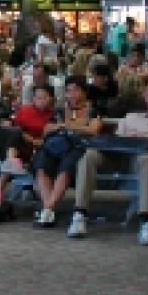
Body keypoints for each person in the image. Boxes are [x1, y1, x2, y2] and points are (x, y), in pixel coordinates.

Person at [68, 82, 148, 246]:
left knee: (146, 159)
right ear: (145, 98)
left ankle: (147, 222)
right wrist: (130, 137)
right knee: (89, 155)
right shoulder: (130, 118)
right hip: (121, 158)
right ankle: (79, 214)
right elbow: (115, 142)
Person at [31, 77, 102, 227]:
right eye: (68, 90)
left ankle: (47, 210)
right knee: (42, 165)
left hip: (77, 147)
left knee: (66, 167)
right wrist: (69, 125)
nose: (72, 94)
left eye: (76, 90)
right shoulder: (60, 110)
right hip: (54, 146)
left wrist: (66, 125)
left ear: (84, 92)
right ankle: (48, 210)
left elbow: (93, 130)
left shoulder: (93, 110)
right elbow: (46, 130)